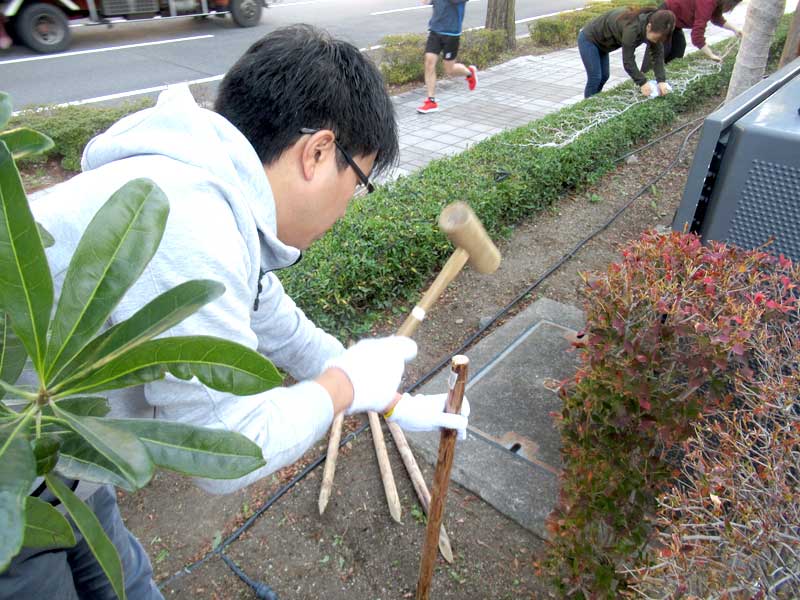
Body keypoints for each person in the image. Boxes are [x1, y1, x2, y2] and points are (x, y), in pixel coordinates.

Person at [1, 25, 470, 599]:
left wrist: (393, 400)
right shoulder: (187, 220)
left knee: (132, 585)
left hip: (66, 465)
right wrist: (344, 386)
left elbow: (271, 317)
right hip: (10, 483)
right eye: (360, 182)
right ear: (318, 152)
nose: (349, 206)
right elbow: (225, 449)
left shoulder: (203, 191)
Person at [578, 8, 676, 98]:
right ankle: (588, 108)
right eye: (656, 38)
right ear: (649, 27)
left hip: (603, 44)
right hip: (589, 39)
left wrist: (661, 81)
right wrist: (642, 82)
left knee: (604, 76)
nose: (656, 41)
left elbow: (658, 56)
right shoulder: (632, 29)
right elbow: (628, 61)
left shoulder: (654, 26)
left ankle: (594, 100)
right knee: (595, 77)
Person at [642, 0, 743, 71]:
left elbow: (716, 18)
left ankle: (663, 79)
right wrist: (710, 54)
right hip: (664, 17)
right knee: (660, 51)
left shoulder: (716, 2)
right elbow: (697, 35)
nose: (730, 8)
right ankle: (644, 82)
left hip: (676, 22)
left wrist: (735, 30)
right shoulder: (707, 2)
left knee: (679, 48)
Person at [417, 0, 478, 114]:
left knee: (449, 70)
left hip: (452, 33)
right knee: (429, 63)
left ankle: (469, 73)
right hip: (435, 30)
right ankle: (431, 101)